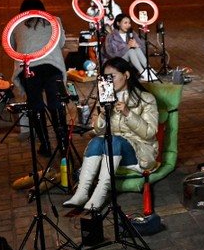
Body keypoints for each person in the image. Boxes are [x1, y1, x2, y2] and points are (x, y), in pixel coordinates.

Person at [63, 57, 159, 212]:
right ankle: (82, 192)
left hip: (139, 152)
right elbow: (95, 132)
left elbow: (150, 133)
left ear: (126, 75)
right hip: (112, 152)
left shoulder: (146, 99)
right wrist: (102, 115)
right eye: (105, 77)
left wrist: (128, 113)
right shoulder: (106, 98)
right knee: (97, 141)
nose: (109, 81)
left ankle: (100, 193)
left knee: (114, 140)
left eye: (112, 76)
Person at [10, 0, 68, 157]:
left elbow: (12, 47)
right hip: (52, 66)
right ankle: (63, 146)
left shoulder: (16, 24)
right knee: (56, 104)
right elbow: (61, 42)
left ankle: (45, 145)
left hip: (29, 69)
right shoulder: (54, 21)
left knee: (36, 105)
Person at [102, 14, 151, 79]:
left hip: (130, 61)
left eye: (129, 23)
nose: (128, 25)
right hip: (116, 60)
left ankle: (149, 70)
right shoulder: (111, 36)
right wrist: (127, 47)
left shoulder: (132, 34)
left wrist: (137, 45)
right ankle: (142, 72)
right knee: (131, 51)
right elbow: (110, 54)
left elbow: (144, 50)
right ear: (118, 23)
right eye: (125, 23)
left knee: (137, 49)